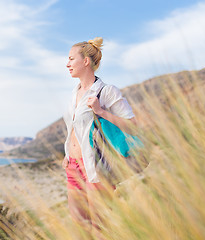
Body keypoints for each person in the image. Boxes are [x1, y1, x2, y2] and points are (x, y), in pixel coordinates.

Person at [62, 37, 137, 230]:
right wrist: (67, 154)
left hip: (97, 166)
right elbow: (74, 128)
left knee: (100, 225)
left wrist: (101, 112)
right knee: (81, 224)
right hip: (73, 166)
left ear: (85, 61)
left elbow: (133, 126)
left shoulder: (107, 91)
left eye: (71, 59)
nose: (67, 63)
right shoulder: (74, 92)